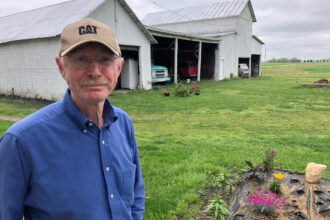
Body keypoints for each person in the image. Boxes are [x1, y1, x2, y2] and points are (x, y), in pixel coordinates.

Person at [0, 18, 145, 220]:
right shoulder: (20, 142)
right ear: (61, 67)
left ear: (118, 68)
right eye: (81, 59)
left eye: (104, 59)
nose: (95, 71)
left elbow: (136, 194)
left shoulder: (123, 124)